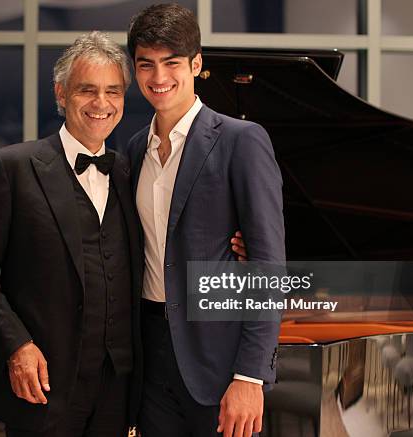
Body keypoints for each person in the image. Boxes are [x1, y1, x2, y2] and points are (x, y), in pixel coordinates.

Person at [0, 31, 143, 437]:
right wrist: (16, 346)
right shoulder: (11, 168)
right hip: (42, 387)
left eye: (113, 91)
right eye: (87, 90)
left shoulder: (130, 174)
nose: (101, 103)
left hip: (117, 389)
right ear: (61, 94)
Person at [126, 4, 286, 437]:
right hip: (151, 355)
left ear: (197, 64)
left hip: (218, 361)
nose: (159, 77)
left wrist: (250, 377)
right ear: (135, 71)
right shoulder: (133, 149)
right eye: (147, 65)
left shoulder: (241, 140)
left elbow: (268, 268)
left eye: (172, 63)